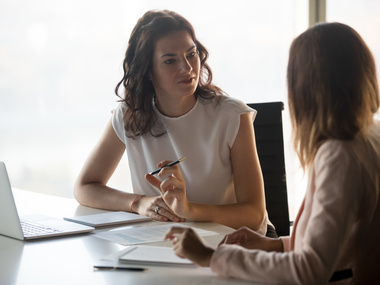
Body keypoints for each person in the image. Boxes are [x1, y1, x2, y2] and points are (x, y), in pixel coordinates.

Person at [164, 22, 380, 284]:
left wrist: (209, 257)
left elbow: (307, 271)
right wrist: (275, 246)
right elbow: (342, 244)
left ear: (305, 88)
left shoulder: (339, 155)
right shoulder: (370, 134)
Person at [74, 9, 271, 233]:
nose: (187, 68)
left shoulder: (232, 115)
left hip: (232, 243)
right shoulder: (130, 114)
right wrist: (139, 203)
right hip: (165, 242)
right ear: (148, 71)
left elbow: (254, 216)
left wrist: (188, 210)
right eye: (170, 61)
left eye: (191, 54)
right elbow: (84, 187)